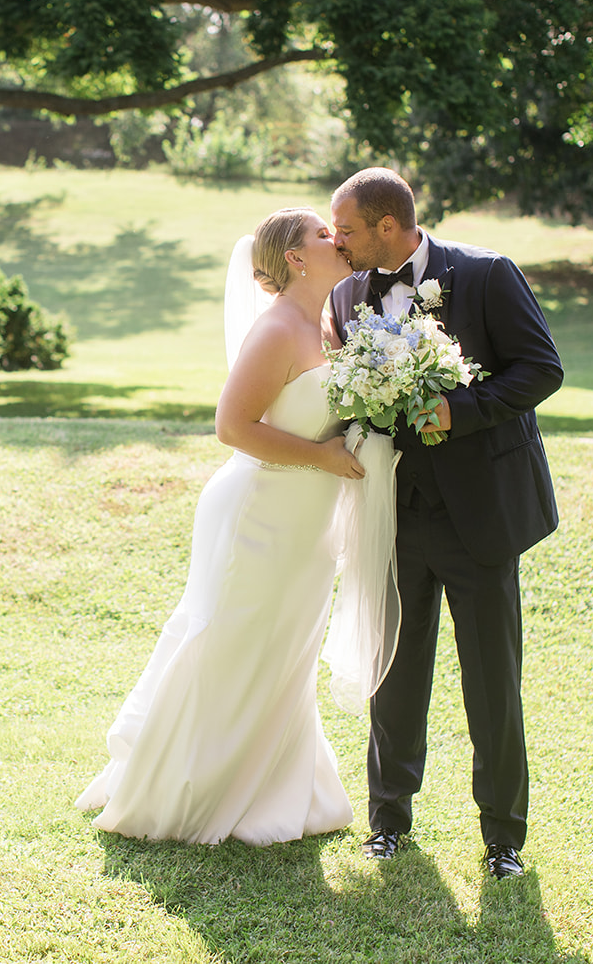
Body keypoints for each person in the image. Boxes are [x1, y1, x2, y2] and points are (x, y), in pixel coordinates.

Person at [76, 207, 366, 845]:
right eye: (324, 234)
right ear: (294, 257)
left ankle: (276, 785)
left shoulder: (333, 325)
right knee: (234, 640)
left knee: (284, 649)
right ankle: (187, 789)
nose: (337, 240)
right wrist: (321, 456)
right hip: (259, 512)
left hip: (309, 523)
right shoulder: (279, 329)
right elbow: (234, 427)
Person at [327, 167, 563, 880]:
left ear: (388, 227)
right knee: (392, 669)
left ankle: (503, 840)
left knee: (492, 681)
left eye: (346, 231)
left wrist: (458, 410)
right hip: (393, 511)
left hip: (480, 516)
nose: (337, 243)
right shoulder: (345, 296)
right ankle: (388, 822)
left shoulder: (488, 275)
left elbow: (541, 369)